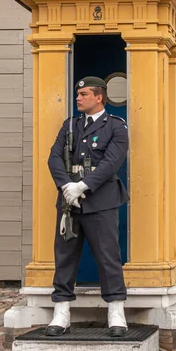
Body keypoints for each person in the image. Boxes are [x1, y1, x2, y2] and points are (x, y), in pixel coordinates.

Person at [46, 76, 129, 337]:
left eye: (83, 94)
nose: (78, 98)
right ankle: (61, 313)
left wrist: (82, 186)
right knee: (65, 257)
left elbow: (111, 163)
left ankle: (116, 312)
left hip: (100, 201)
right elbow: (54, 157)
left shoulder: (115, 126)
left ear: (99, 97)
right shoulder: (70, 125)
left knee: (108, 257)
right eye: (78, 94)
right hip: (70, 203)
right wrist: (66, 187)